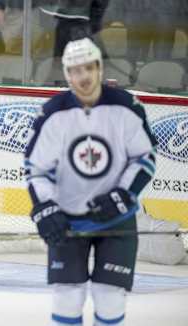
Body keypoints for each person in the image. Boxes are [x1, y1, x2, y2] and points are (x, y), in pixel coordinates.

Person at [24, 38, 157, 325]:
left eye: (88, 68)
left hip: (116, 219)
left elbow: (144, 158)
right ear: (67, 73)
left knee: (110, 297)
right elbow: (35, 169)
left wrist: (123, 195)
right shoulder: (53, 113)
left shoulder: (127, 107)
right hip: (68, 220)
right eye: (74, 70)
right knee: (67, 297)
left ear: (99, 68)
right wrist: (46, 207)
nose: (82, 77)